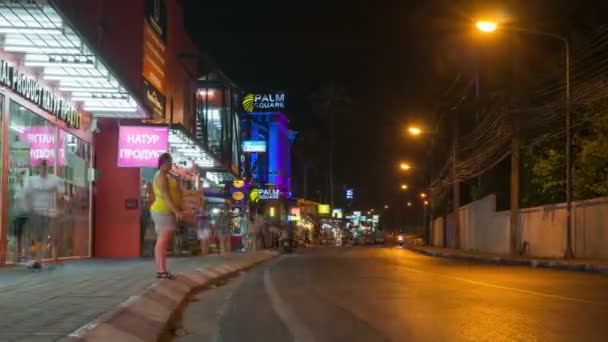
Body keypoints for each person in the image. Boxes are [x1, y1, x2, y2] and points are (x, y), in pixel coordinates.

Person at [23, 159, 65, 268]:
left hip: (49, 212)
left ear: (48, 167)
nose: (43, 168)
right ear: (38, 167)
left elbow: (61, 194)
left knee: (46, 235)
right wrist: (28, 207)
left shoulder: (55, 180)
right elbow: (27, 195)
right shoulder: (32, 180)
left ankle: (41, 259)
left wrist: (60, 209)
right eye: (41, 165)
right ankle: (37, 259)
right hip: (36, 211)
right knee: (37, 236)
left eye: (45, 166)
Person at [150, 153, 182, 279]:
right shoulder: (161, 175)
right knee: (162, 241)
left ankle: (162, 269)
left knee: (163, 241)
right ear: (164, 163)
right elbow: (165, 195)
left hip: (166, 211)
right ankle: (161, 270)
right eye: (169, 162)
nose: (171, 165)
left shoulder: (167, 175)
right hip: (162, 210)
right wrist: (176, 211)